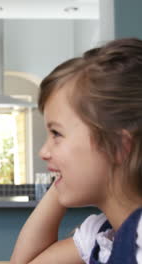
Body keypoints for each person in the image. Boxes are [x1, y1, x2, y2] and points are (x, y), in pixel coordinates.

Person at [10, 38, 142, 264]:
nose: (43, 152)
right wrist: (61, 176)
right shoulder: (104, 234)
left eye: (56, 134)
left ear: (118, 146)